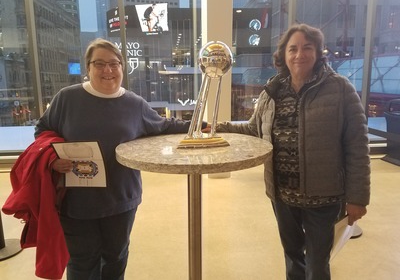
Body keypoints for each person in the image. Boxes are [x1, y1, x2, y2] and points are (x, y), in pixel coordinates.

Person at [215, 23, 370, 280]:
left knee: (318, 263)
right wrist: (218, 128)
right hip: (282, 195)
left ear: (319, 52)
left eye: (307, 48)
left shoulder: (341, 90)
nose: (300, 55)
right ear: (284, 55)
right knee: (292, 255)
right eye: (293, 49)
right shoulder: (273, 91)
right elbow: (255, 129)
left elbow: (357, 147)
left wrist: (358, 198)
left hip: (324, 196)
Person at [34, 38, 194, 279]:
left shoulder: (134, 104)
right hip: (76, 201)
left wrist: (201, 125)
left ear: (122, 67)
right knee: (81, 262)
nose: (107, 70)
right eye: (99, 63)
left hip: (121, 198)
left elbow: (165, 126)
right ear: (88, 68)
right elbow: (42, 132)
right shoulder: (67, 99)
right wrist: (52, 159)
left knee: (116, 258)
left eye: (114, 63)